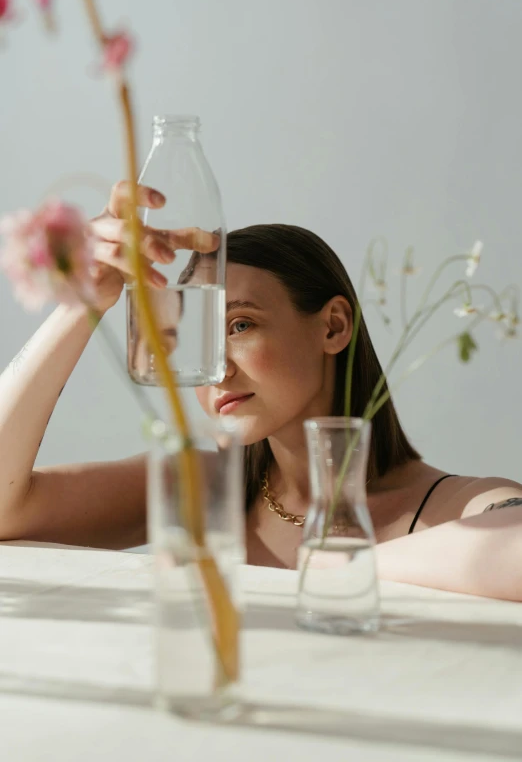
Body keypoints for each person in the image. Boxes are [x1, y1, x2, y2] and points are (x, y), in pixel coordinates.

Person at [1, 181, 522, 600]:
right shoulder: (199, 491)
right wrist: (82, 305)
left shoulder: (449, 504)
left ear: (334, 326)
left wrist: (337, 564)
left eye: (240, 326)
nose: (216, 371)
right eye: (196, 343)